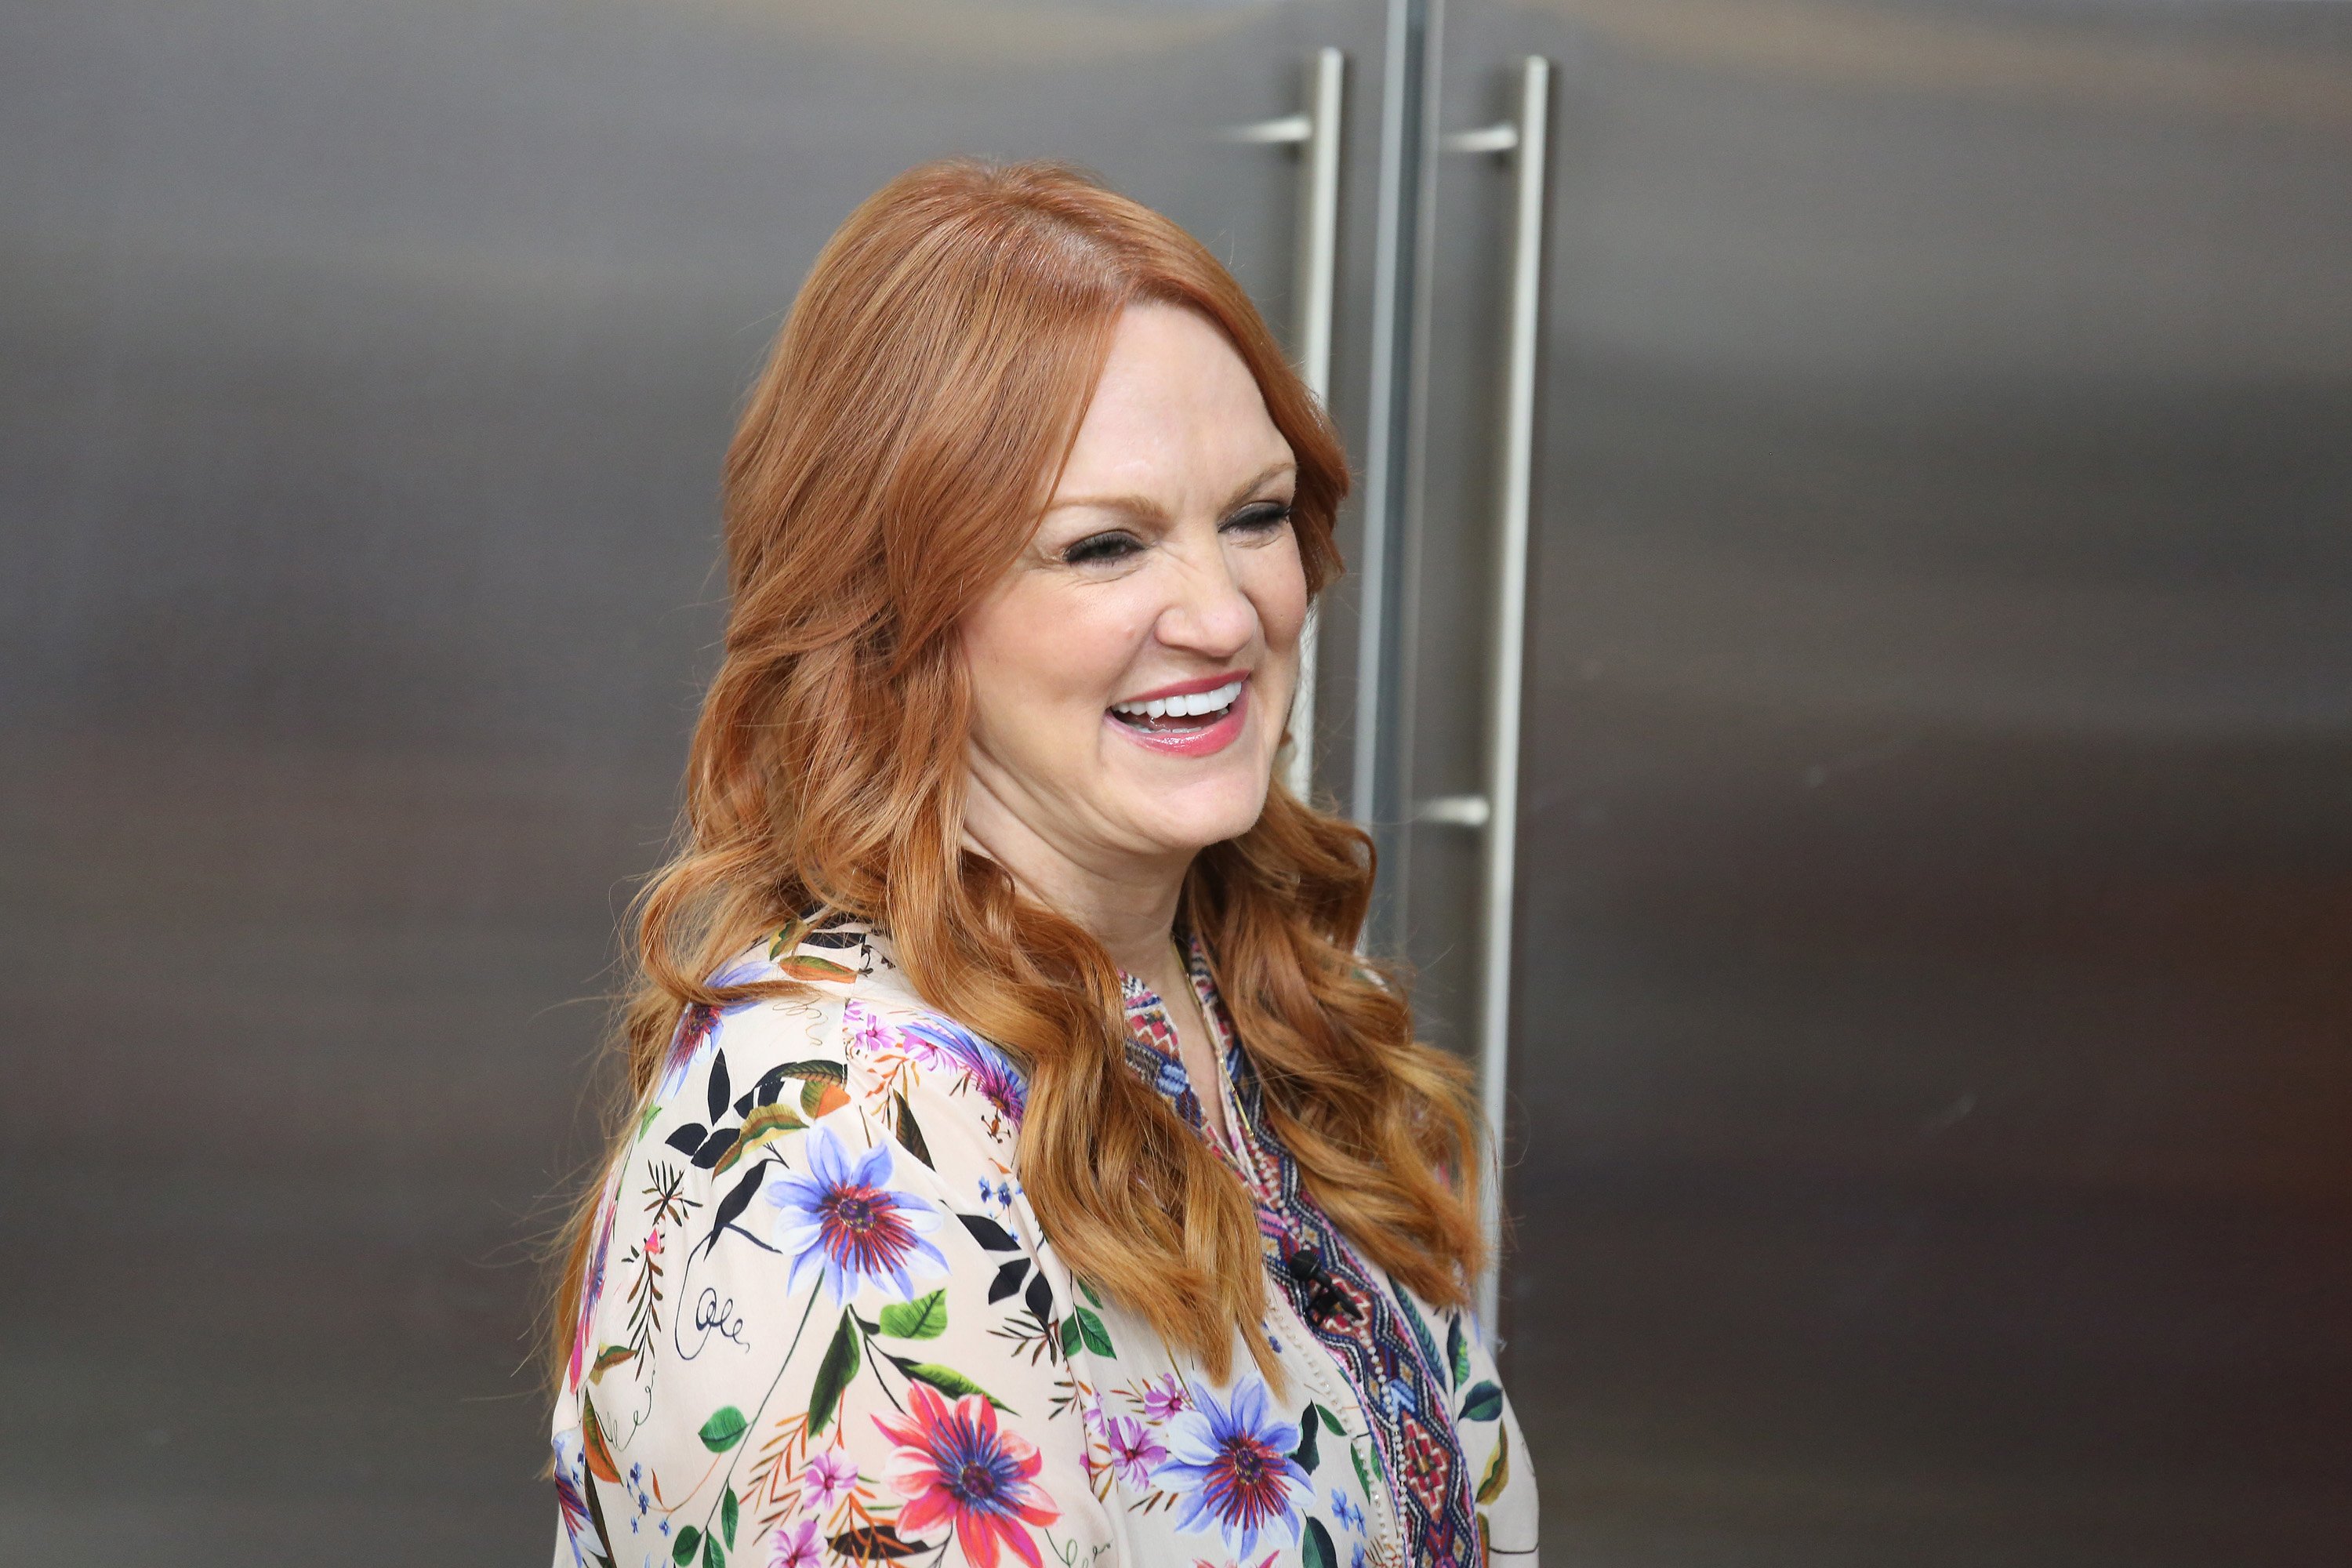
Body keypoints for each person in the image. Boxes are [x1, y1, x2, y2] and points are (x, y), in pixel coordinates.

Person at [547, 158, 1538, 1568]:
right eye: (1103, 546)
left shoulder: (1257, 1017)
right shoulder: (829, 1157)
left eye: (1254, 517)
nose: (1223, 612)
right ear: (895, 610)